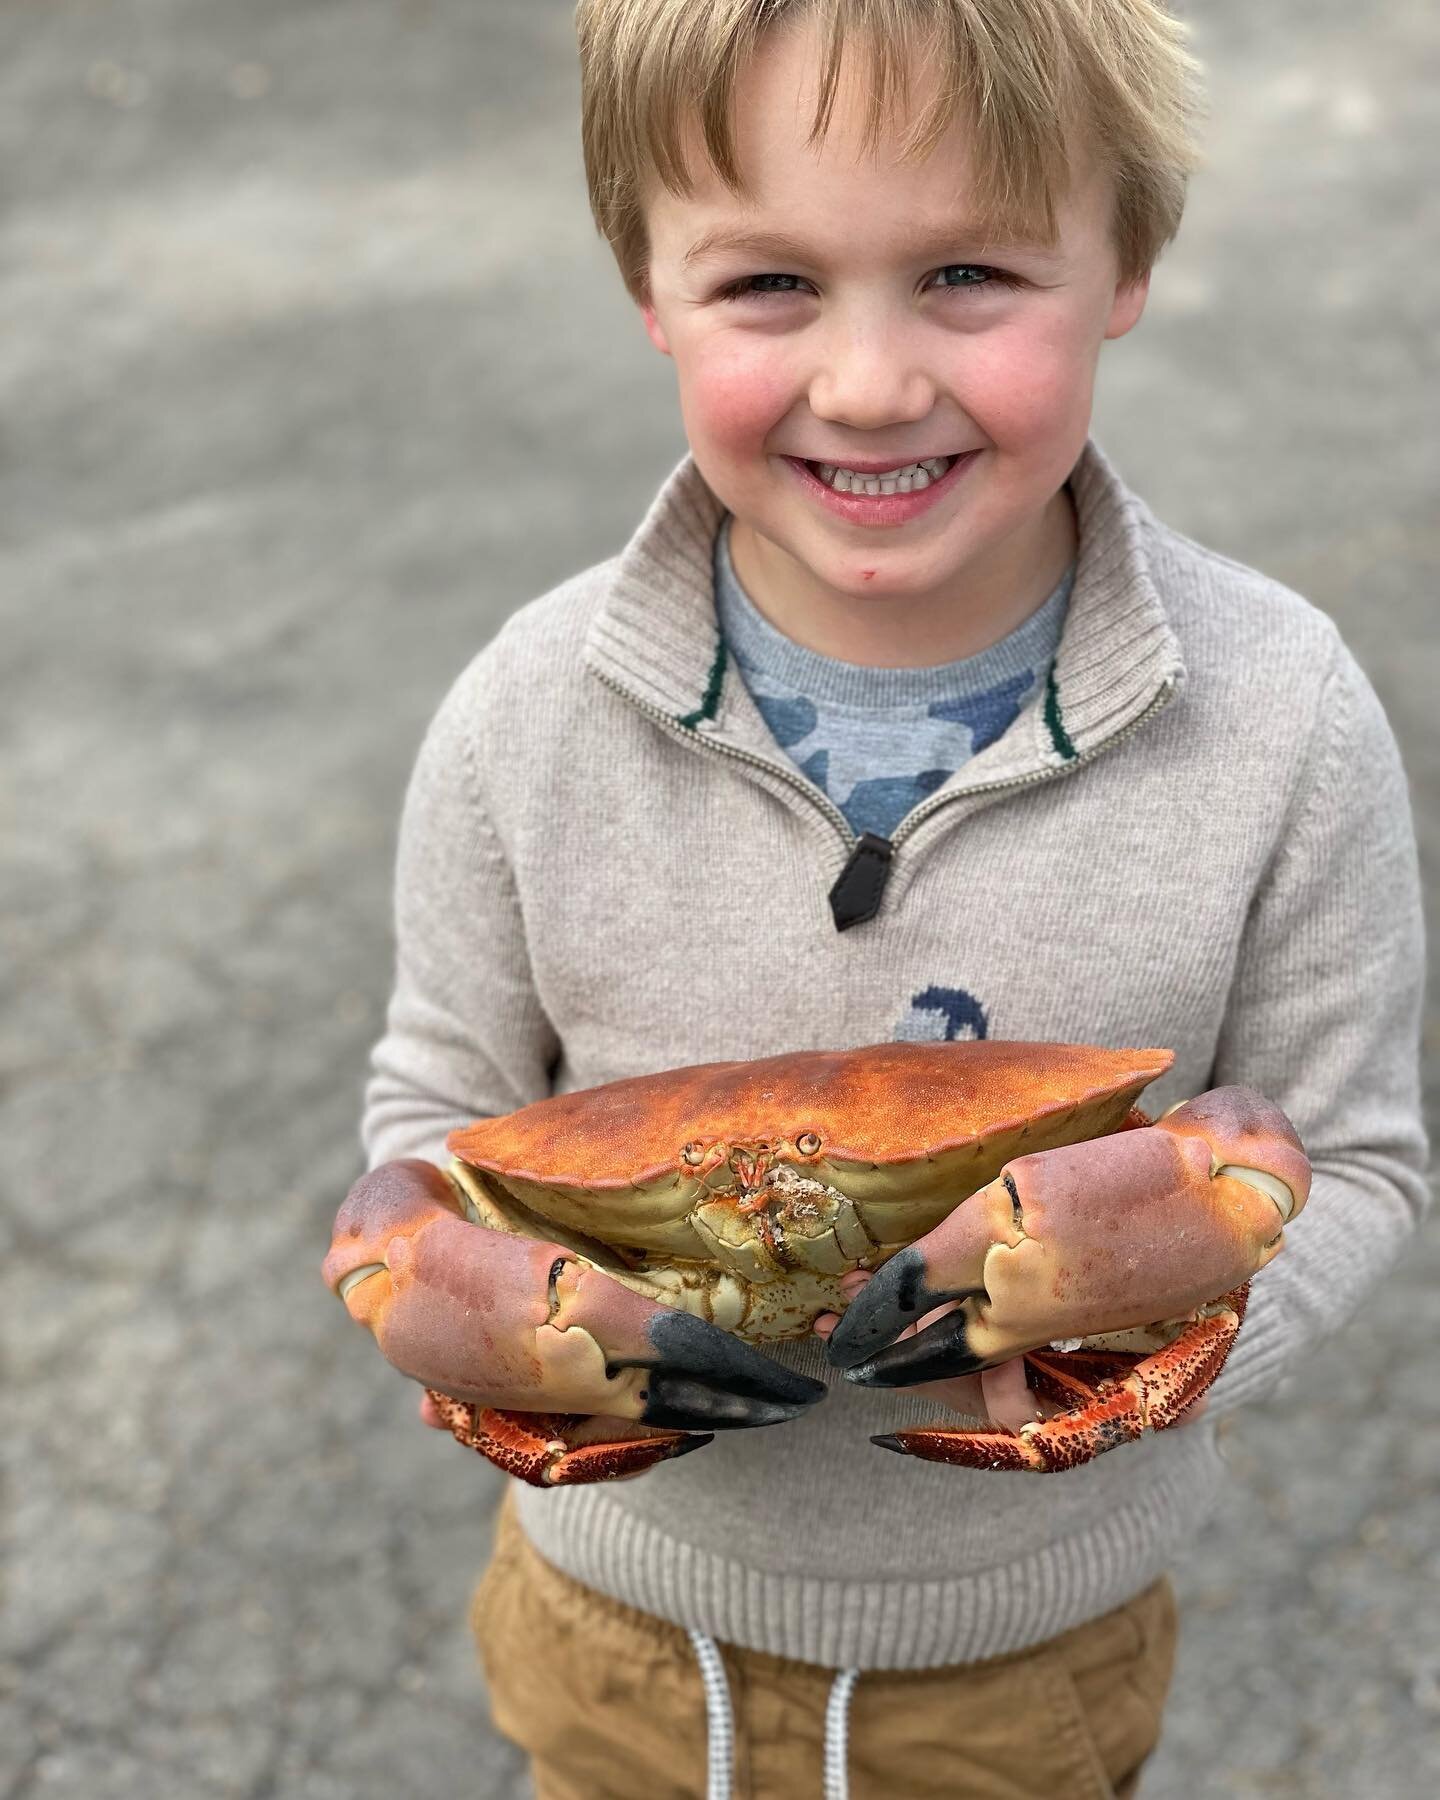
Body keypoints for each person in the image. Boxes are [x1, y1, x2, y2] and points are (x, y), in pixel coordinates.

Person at [325, 2, 1429, 1794]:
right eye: (768, 283)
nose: (868, 382)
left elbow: (1346, 1154)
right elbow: (424, 1150)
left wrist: (1170, 1334)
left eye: (971, 273)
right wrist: (509, 1337)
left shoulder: (1281, 718)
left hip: (1025, 1672)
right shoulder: (521, 719)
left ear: (1127, 256)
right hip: (610, 1638)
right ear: (646, 285)